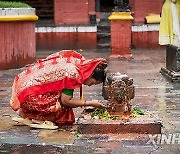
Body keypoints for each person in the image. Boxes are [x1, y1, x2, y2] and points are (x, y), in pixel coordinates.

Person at [10, 50, 108, 128]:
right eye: (93, 83)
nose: (91, 85)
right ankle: (38, 118)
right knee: (63, 107)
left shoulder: (78, 62)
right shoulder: (73, 74)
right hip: (28, 95)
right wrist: (90, 103)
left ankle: (30, 113)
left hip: (24, 87)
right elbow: (66, 101)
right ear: (91, 75)